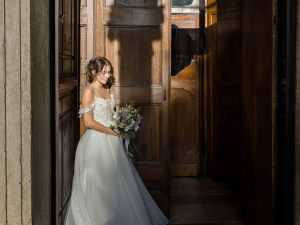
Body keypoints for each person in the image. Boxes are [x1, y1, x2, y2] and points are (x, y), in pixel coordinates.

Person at [64, 56, 169, 225]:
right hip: (96, 144)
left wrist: (122, 124)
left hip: (112, 141)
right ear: (93, 72)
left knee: (116, 185)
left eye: (109, 71)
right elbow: (88, 122)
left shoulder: (107, 89)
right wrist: (111, 132)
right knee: (98, 185)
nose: (107, 75)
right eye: (103, 72)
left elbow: (110, 115)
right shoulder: (88, 91)